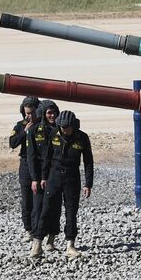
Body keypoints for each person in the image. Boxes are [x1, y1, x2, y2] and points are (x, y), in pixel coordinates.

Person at [43, 110, 94, 259]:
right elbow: (47, 157)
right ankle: (49, 239)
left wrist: (88, 183)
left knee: (71, 211)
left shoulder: (82, 137)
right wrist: (43, 177)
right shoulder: (54, 134)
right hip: (54, 175)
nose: (64, 130)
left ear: (73, 126)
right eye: (62, 127)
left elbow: (88, 162)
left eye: (66, 127)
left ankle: (70, 244)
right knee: (51, 207)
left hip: (72, 177)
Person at [28, 99, 59, 259]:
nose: (52, 116)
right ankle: (36, 238)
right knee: (38, 207)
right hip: (39, 174)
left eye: (54, 113)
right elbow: (31, 157)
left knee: (54, 208)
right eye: (49, 113)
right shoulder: (34, 131)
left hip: (55, 174)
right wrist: (34, 178)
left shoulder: (61, 130)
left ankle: (51, 240)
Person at [8, 96, 40, 242]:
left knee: (39, 199)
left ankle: (39, 229)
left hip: (40, 164)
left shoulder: (42, 125)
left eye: (32, 112)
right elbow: (12, 143)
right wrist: (24, 132)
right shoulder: (20, 125)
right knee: (27, 201)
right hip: (26, 164)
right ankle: (28, 229)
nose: (30, 116)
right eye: (27, 113)